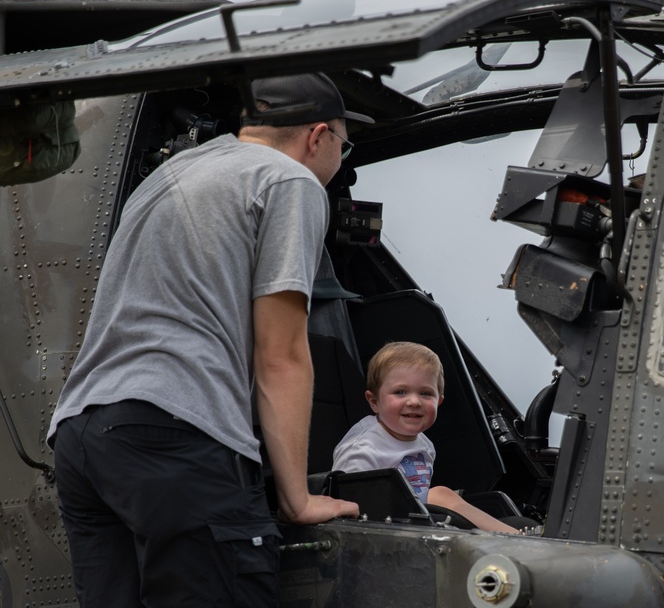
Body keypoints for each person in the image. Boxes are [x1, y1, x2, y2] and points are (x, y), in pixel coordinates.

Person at [46, 72, 369, 607]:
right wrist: (297, 499)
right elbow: (281, 355)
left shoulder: (173, 172)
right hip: (174, 436)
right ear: (317, 136)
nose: (340, 158)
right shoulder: (288, 180)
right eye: (344, 143)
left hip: (85, 438)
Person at [332, 341, 519, 534]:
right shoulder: (361, 449)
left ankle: (513, 535)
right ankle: (515, 538)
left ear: (439, 402)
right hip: (380, 534)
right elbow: (347, 509)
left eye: (425, 393)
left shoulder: (425, 444)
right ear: (374, 402)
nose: (414, 401)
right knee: (440, 495)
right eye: (400, 392)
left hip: (418, 528)